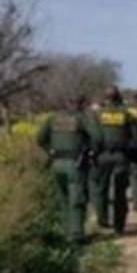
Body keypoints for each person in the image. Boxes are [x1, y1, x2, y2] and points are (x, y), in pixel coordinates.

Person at [36, 95, 99, 243]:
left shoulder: (52, 119)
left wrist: (50, 150)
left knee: (63, 199)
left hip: (56, 163)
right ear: (79, 105)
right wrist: (91, 151)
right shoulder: (81, 118)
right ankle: (76, 235)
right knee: (77, 199)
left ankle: (67, 232)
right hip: (75, 164)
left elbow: (40, 139)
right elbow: (97, 137)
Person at [92, 87, 137, 234]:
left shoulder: (97, 114)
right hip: (121, 156)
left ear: (105, 98)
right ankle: (119, 226)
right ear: (119, 98)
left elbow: (91, 135)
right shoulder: (126, 114)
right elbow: (135, 137)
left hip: (101, 156)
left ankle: (102, 220)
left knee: (101, 188)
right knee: (120, 191)